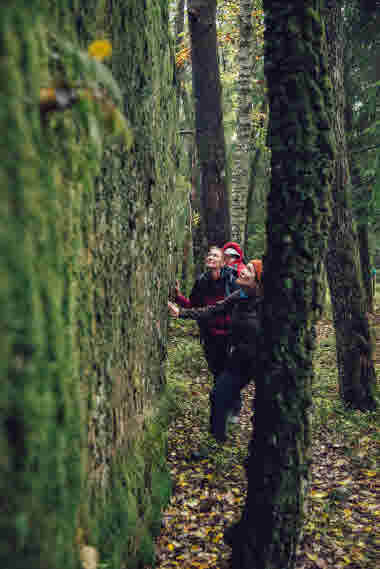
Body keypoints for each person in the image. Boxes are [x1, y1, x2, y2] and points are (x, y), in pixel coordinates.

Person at [169, 259, 263, 451]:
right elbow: (214, 310)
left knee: (262, 408)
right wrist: (181, 313)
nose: (243, 270)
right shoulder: (240, 295)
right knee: (218, 395)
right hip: (239, 360)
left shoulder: (265, 304)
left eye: (249, 271)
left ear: (258, 281)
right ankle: (216, 441)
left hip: (260, 362)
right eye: (245, 268)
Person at [174, 246, 241, 393]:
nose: (211, 257)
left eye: (215, 256)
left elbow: (237, 308)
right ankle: (222, 408)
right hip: (210, 337)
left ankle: (231, 409)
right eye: (209, 255)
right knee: (217, 373)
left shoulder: (232, 281)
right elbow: (194, 306)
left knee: (227, 377)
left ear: (223, 262)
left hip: (229, 337)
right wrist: (178, 298)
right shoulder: (201, 282)